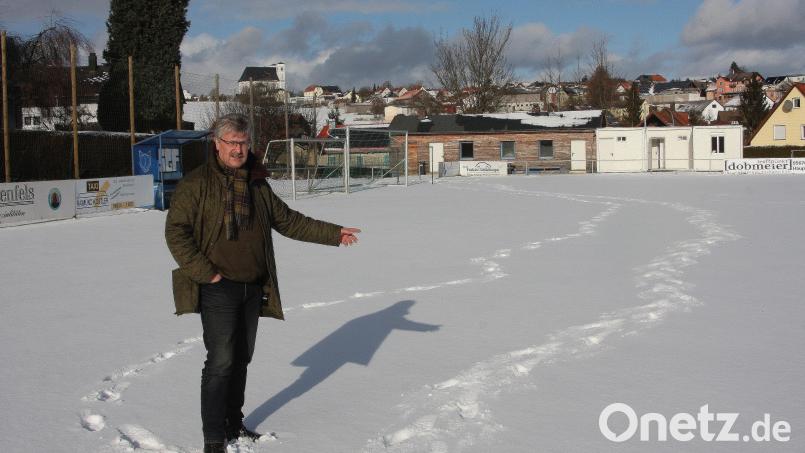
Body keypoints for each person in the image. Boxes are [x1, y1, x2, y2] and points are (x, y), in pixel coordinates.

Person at [165, 113, 360, 453]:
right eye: (232, 143)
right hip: (217, 286)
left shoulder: (257, 182)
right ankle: (213, 438)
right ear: (217, 143)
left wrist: (333, 233)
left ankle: (232, 423)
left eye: (243, 143)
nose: (238, 150)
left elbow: (288, 221)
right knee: (220, 360)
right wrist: (206, 273)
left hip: (253, 286)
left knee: (241, 358)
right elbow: (176, 233)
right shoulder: (196, 184)